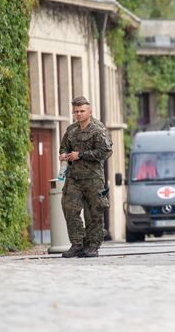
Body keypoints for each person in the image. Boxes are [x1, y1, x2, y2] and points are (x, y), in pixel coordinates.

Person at [59, 96, 113, 258]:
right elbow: (63, 147)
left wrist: (81, 155)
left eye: (82, 111)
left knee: (94, 212)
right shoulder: (71, 130)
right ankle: (77, 244)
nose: (79, 114)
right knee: (70, 209)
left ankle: (92, 246)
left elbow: (106, 152)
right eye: (76, 111)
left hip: (93, 178)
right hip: (74, 178)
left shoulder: (98, 129)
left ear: (89, 112)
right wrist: (63, 154)